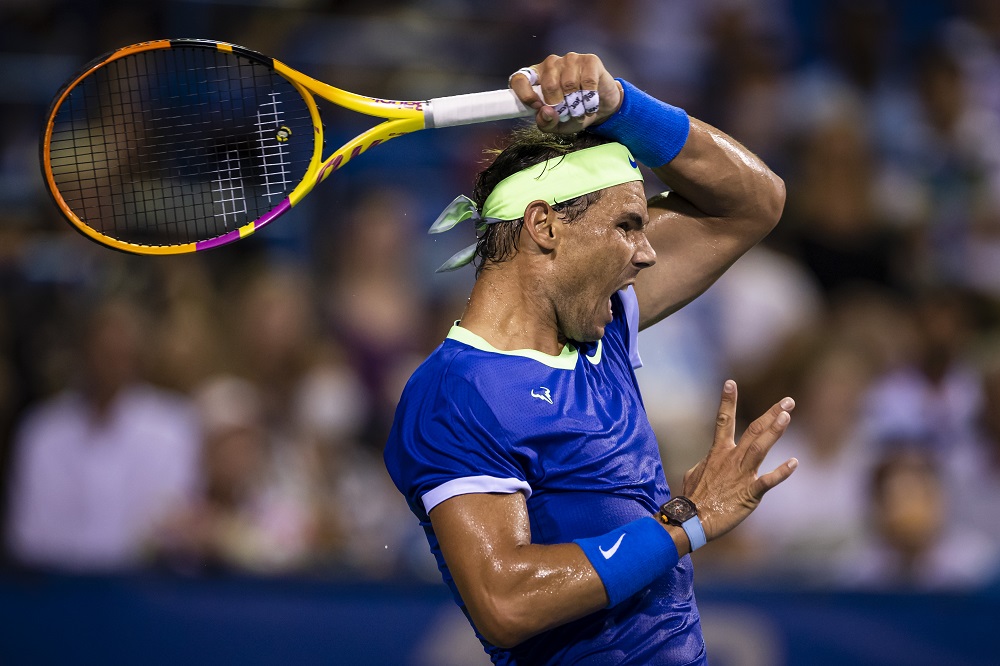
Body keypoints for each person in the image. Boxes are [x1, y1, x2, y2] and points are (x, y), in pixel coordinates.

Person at [384, 52, 797, 665]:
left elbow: (755, 202)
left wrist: (621, 106)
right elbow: (505, 601)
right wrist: (686, 522)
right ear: (546, 226)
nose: (647, 253)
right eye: (627, 225)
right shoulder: (456, 392)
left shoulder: (603, 327)